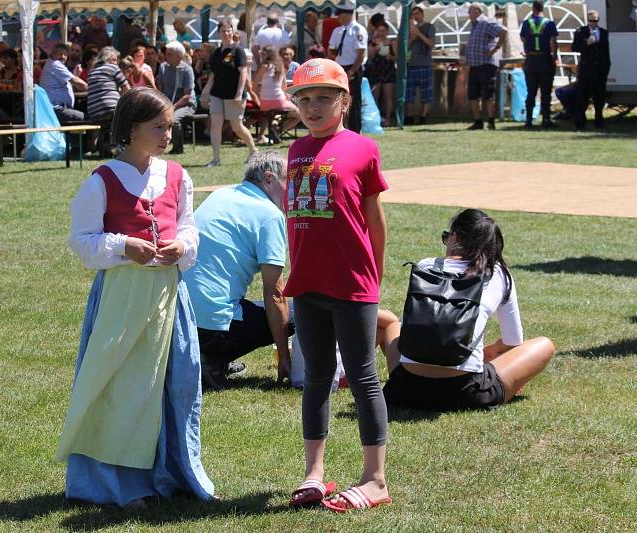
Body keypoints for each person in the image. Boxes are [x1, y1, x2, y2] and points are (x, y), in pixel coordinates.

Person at [56, 86, 215, 509]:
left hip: (168, 295)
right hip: (122, 297)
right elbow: (82, 241)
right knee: (122, 387)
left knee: (174, 385)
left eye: (170, 127)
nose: (167, 135)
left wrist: (182, 246)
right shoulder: (102, 181)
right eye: (158, 127)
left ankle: (174, 471)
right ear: (130, 130)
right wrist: (124, 245)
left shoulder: (178, 177)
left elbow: (188, 228)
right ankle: (116, 482)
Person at [284, 58, 391, 512]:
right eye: (304, 99)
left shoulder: (363, 149)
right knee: (316, 378)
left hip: (352, 282)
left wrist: (375, 276)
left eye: (323, 98)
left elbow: (374, 221)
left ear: (344, 101)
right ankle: (314, 473)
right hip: (306, 283)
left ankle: (376, 479)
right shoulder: (295, 150)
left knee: (363, 376)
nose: (313, 107)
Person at [380, 208, 555, 411]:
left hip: (404, 390)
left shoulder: (425, 266)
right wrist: (491, 352)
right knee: (545, 344)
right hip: (466, 393)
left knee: (394, 326)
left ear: (455, 238)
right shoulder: (496, 273)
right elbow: (513, 340)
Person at [185, 151, 292, 390]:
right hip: (212, 326)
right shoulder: (270, 215)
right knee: (300, 311)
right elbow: (275, 294)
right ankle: (212, 358)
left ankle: (206, 358)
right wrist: (285, 357)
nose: (293, 189)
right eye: (290, 180)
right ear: (268, 179)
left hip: (181, 320)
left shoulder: (221, 194)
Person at [200, 19, 257, 168]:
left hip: (234, 95)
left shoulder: (238, 51)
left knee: (236, 126)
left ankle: (253, 151)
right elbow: (213, 74)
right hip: (217, 93)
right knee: (215, 125)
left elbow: (243, 72)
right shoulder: (217, 53)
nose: (226, 33)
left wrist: (239, 94)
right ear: (218, 33)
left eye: (228, 30)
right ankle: (216, 159)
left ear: (232, 31)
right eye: (223, 31)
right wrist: (206, 91)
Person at [465, 4, 507, 130]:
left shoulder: (486, 22)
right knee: (473, 95)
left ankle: (491, 122)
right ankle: (478, 121)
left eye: (469, 11)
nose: (468, 14)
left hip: (486, 64)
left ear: (477, 11)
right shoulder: (475, 25)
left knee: (488, 95)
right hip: (474, 64)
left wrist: (496, 48)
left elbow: (503, 31)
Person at [328, 0, 367, 133]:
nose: (338, 18)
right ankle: (341, 129)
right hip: (340, 68)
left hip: (353, 68)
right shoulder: (337, 31)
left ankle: (356, 130)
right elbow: (331, 50)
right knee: (339, 101)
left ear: (347, 14)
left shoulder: (358, 30)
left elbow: (361, 55)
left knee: (353, 101)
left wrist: (351, 72)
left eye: (340, 15)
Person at [520, 1, 558, 129]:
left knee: (531, 92)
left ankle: (528, 120)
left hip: (531, 59)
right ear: (543, 9)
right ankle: (546, 119)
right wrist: (554, 57)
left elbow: (523, 38)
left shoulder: (527, 23)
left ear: (533, 9)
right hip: (545, 59)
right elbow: (553, 41)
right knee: (546, 91)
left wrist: (527, 49)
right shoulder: (549, 23)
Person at [572, 9, 610, 130]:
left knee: (599, 97)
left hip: (600, 70)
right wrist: (586, 43)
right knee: (582, 97)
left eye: (595, 20)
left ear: (599, 20)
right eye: (591, 20)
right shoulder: (580, 31)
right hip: (586, 70)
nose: (593, 22)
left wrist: (607, 66)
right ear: (587, 20)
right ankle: (580, 123)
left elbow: (606, 52)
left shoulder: (603, 32)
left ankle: (599, 121)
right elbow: (574, 48)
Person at [156, 41, 196, 155]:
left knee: (174, 120)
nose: (166, 56)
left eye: (169, 54)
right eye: (166, 54)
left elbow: (187, 96)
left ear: (178, 56)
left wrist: (173, 107)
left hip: (186, 104)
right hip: (167, 104)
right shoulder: (163, 67)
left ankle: (177, 149)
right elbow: (160, 89)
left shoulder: (187, 70)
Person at [254, 45, 300, 142]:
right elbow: (284, 88)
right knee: (299, 114)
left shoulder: (264, 66)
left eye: (262, 54)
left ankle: (265, 133)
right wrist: (288, 99)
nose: (261, 55)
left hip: (264, 102)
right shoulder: (280, 67)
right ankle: (278, 130)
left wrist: (257, 97)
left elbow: (255, 84)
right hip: (279, 100)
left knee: (269, 114)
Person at [39, 43, 88, 123]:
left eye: (65, 54)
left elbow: (70, 83)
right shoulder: (55, 64)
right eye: (59, 54)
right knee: (88, 119)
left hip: (57, 108)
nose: (63, 57)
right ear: (53, 54)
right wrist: (91, 89)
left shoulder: (52, 64)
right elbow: (76, 82)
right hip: (56, 109)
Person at [405, 6, 436, 125]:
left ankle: (423, 117)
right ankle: (409, 116)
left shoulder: (429, 27)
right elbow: (404, 48)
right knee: (409, 92)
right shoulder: (409, 29)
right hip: (411, 64)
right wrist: (412, 39)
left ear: (422, 14)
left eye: (417, 13)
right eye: (413, 15)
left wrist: (419, 34)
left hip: (425, 64)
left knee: (426, 92)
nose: (415, 16)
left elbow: (431, 43)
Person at [365, 22, 396, 127]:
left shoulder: (392, 42)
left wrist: (390, 57)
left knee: (388, 97)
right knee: (375, 96)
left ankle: (387, 119)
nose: (382, 33)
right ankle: (376, 119)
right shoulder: (373, 42)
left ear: (387, 31)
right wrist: (375, 48)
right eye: (380, 31)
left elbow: (397, 58)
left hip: (388, 71)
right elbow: (368, 57)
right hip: (376, 71)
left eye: (384, 31)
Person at [86, 47, 130, 120]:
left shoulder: (92, 72)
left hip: (93, 112)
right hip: (110, 108)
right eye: (114, 60)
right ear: (107, 59)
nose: (116, 63)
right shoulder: (112, 67)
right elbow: (127, 88)